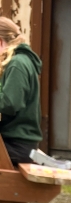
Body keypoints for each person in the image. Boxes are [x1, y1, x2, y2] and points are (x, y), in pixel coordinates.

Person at [0, 16, 42, 165]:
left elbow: (9, 103)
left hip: (17, 145)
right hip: (17, 143)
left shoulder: (17, 63)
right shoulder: (19, 61)